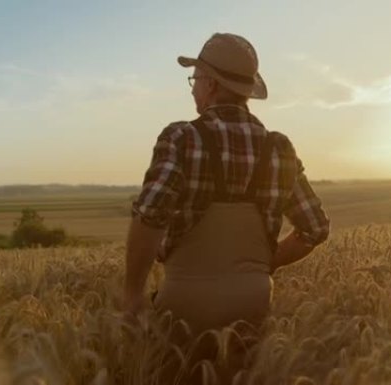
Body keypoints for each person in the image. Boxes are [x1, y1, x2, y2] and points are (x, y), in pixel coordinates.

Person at [121, 32, 330, 334]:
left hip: (182, 305)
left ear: (211, 84)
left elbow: (150, 215)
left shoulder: (181, 138)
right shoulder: (279, 148)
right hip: (254, 305)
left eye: (194, 81)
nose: (193, 92)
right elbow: (316, 228)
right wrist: (264, 264)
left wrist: (131, 295)